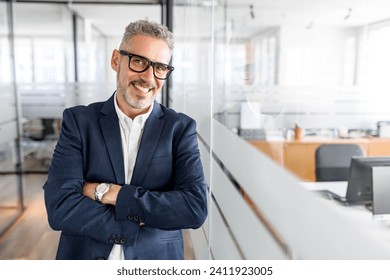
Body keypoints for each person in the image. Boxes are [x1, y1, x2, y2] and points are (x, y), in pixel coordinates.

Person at [43, 19, 208, 260]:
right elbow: (60, 207)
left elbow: (193, 209)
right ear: (116, 60)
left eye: (160, 67)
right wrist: (137, 222)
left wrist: (110, 193)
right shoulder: (79, 122)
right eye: (139, 61)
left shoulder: (180, 128)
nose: (149, 78)